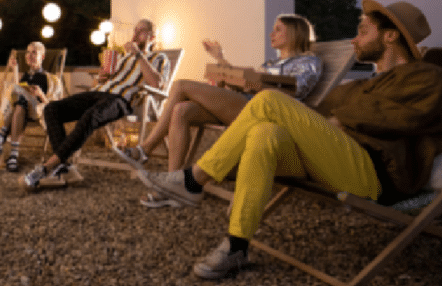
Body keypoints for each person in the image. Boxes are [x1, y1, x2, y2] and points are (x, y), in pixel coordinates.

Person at [143, 0, 442, 279]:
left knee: (269, 100)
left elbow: (400, 117)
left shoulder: (429, 77)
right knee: (264, 132)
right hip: (331, 161)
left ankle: (194, 180)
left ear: (390, 35)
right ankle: (237, 246)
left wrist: (336, 119)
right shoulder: (357, 87)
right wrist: (322, 121)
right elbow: (320, 115)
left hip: (373, 173)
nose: (354, 38)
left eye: (363, 31)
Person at [135, 15, 321, 196]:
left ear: (295, 34)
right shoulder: (271, 64)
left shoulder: (309, 62)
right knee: (181, 110)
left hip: (265, 111)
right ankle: (173, 182)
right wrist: (221, 60)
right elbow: (246, 82)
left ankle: (146, 148)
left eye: (278, 30)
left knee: (181, 85)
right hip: (245, 102)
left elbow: (294, 92)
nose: (272, 34)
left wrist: (255, 84)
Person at [21, 19, 164, 191]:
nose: (134, 34)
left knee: (90, 116)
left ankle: (47, 167)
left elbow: (157, 84)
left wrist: (139, 55)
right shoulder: (123, 58)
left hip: (120, 99)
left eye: (140, 31)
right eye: (135, 30)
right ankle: (64, 167)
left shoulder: (158, 57)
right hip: (98, 92)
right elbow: (101, 80)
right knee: (52, 108)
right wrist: (101, 77)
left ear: (152, 37)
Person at [0, 42, 51, 172]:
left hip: (36, 110)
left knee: (15, 92)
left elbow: (52, 104)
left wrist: (40, 94)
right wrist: (15, 70)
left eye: (34, 52)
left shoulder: (48, 78)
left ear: (43, 56)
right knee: (18, 105)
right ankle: (13, 156)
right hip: (21, 110)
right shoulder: (26, 75)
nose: (29, 55)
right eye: (28, 52)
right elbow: (15, 93)